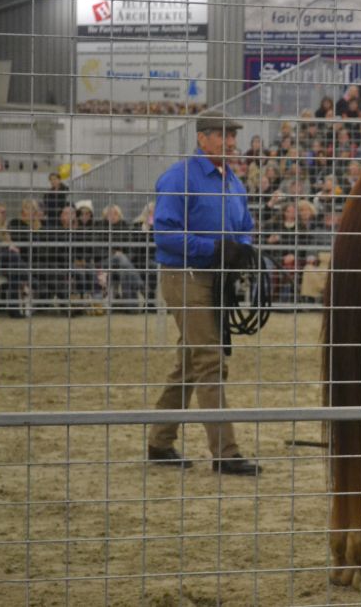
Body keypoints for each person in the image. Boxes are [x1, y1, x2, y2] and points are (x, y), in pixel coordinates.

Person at [147, 110, 262, 476]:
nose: (230, 142)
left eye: (232, 135)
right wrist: (212, 249)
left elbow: (245, 226)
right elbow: (164, 234)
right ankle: (225, 453)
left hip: (214, 280)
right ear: (202, 138)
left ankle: (159, 442)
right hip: (185, 277)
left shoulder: (233, 182)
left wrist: (241, 248)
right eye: (221, 135)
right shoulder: (178, 178)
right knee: (211, 360)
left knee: (190, 364)